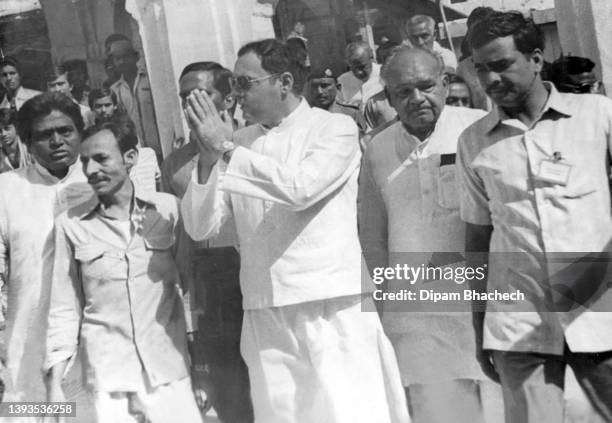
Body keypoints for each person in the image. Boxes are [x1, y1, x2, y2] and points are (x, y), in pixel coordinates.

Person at [180, 38, 408, 423]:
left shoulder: (333, 128)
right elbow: (201, 226)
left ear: (284, 82)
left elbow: (300, 188)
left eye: (244, 83)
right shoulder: (237, 143)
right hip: (264, 307)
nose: (235, 95)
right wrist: (207, 158)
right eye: (233, 84)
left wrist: (225, 148)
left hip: (331, 304)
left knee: (351, 412)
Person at [457, 11, 612, 423]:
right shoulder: (473, 142)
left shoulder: (597, 116)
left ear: (537, 59)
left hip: (601, 313)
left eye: (502, 64)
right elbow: (476, 244)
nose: (490, 80)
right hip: (518, 326)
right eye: (481, 69)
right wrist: (480, 329)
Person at [359, 46, 501, 423]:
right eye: (403, 92)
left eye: (426, 86)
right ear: (388, 98)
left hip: (485, 305)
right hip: (418, 318)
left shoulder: (481, 128)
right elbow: (373, 236)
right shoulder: (377, 150)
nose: (417, 98)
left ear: (444, 83)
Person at [45, 116, 203, 423]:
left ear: (131, 157)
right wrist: (54, 384)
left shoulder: (168, 210)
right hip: (109, 379)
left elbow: (187, 286)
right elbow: (64, 307)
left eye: (101, 159)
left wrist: (199, 362)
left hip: (168, 369)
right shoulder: (70, 224)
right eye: (85, 162)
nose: (91, 170)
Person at [161, 61, 254, 423]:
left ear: (228, 99)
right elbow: (180, 238)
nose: (191, 105)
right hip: (212, 283)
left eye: (202, 95)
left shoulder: (254, 145)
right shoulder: (176, 165)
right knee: (229, 385)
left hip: (261, 271)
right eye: (185, 97)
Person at [0, 92, 93, 421]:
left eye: (65, 131)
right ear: (26, 141)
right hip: (27, 347)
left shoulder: (102, 183)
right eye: (44, 134)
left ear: (80, 132)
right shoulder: (7, 190)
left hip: (96, 343)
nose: (57, 141)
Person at [87, 87, 160, 193]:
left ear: (115, 106)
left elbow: (137, 156)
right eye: (98, 106)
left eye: (107, 105)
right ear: (92, 109)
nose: (103, 110)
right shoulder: (91, 135)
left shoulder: (126, 127)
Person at [108, 35, 162, 158]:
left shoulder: (150, 80)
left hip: (161, 146)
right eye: (117, 58)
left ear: (136, 56)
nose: (122, 61)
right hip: (138, 153)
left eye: (126, 57)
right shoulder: (115, 90)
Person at [307, 66, 366, 135]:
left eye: (324, 86)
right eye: (314, 87)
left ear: (338, 88)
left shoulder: (351, 113)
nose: (319, 91)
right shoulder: (306, 117)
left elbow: (363, 141)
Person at [337, 41, 384, 110]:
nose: (359, 72)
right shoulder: (342, 81)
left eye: (362, 67)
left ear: (371, 58)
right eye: (353, 68)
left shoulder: (385, 74)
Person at [0, 109, 33, 173]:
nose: (3, 134)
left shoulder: (30, 148)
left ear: (16, 128)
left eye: (7, 129)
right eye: (0, 131)